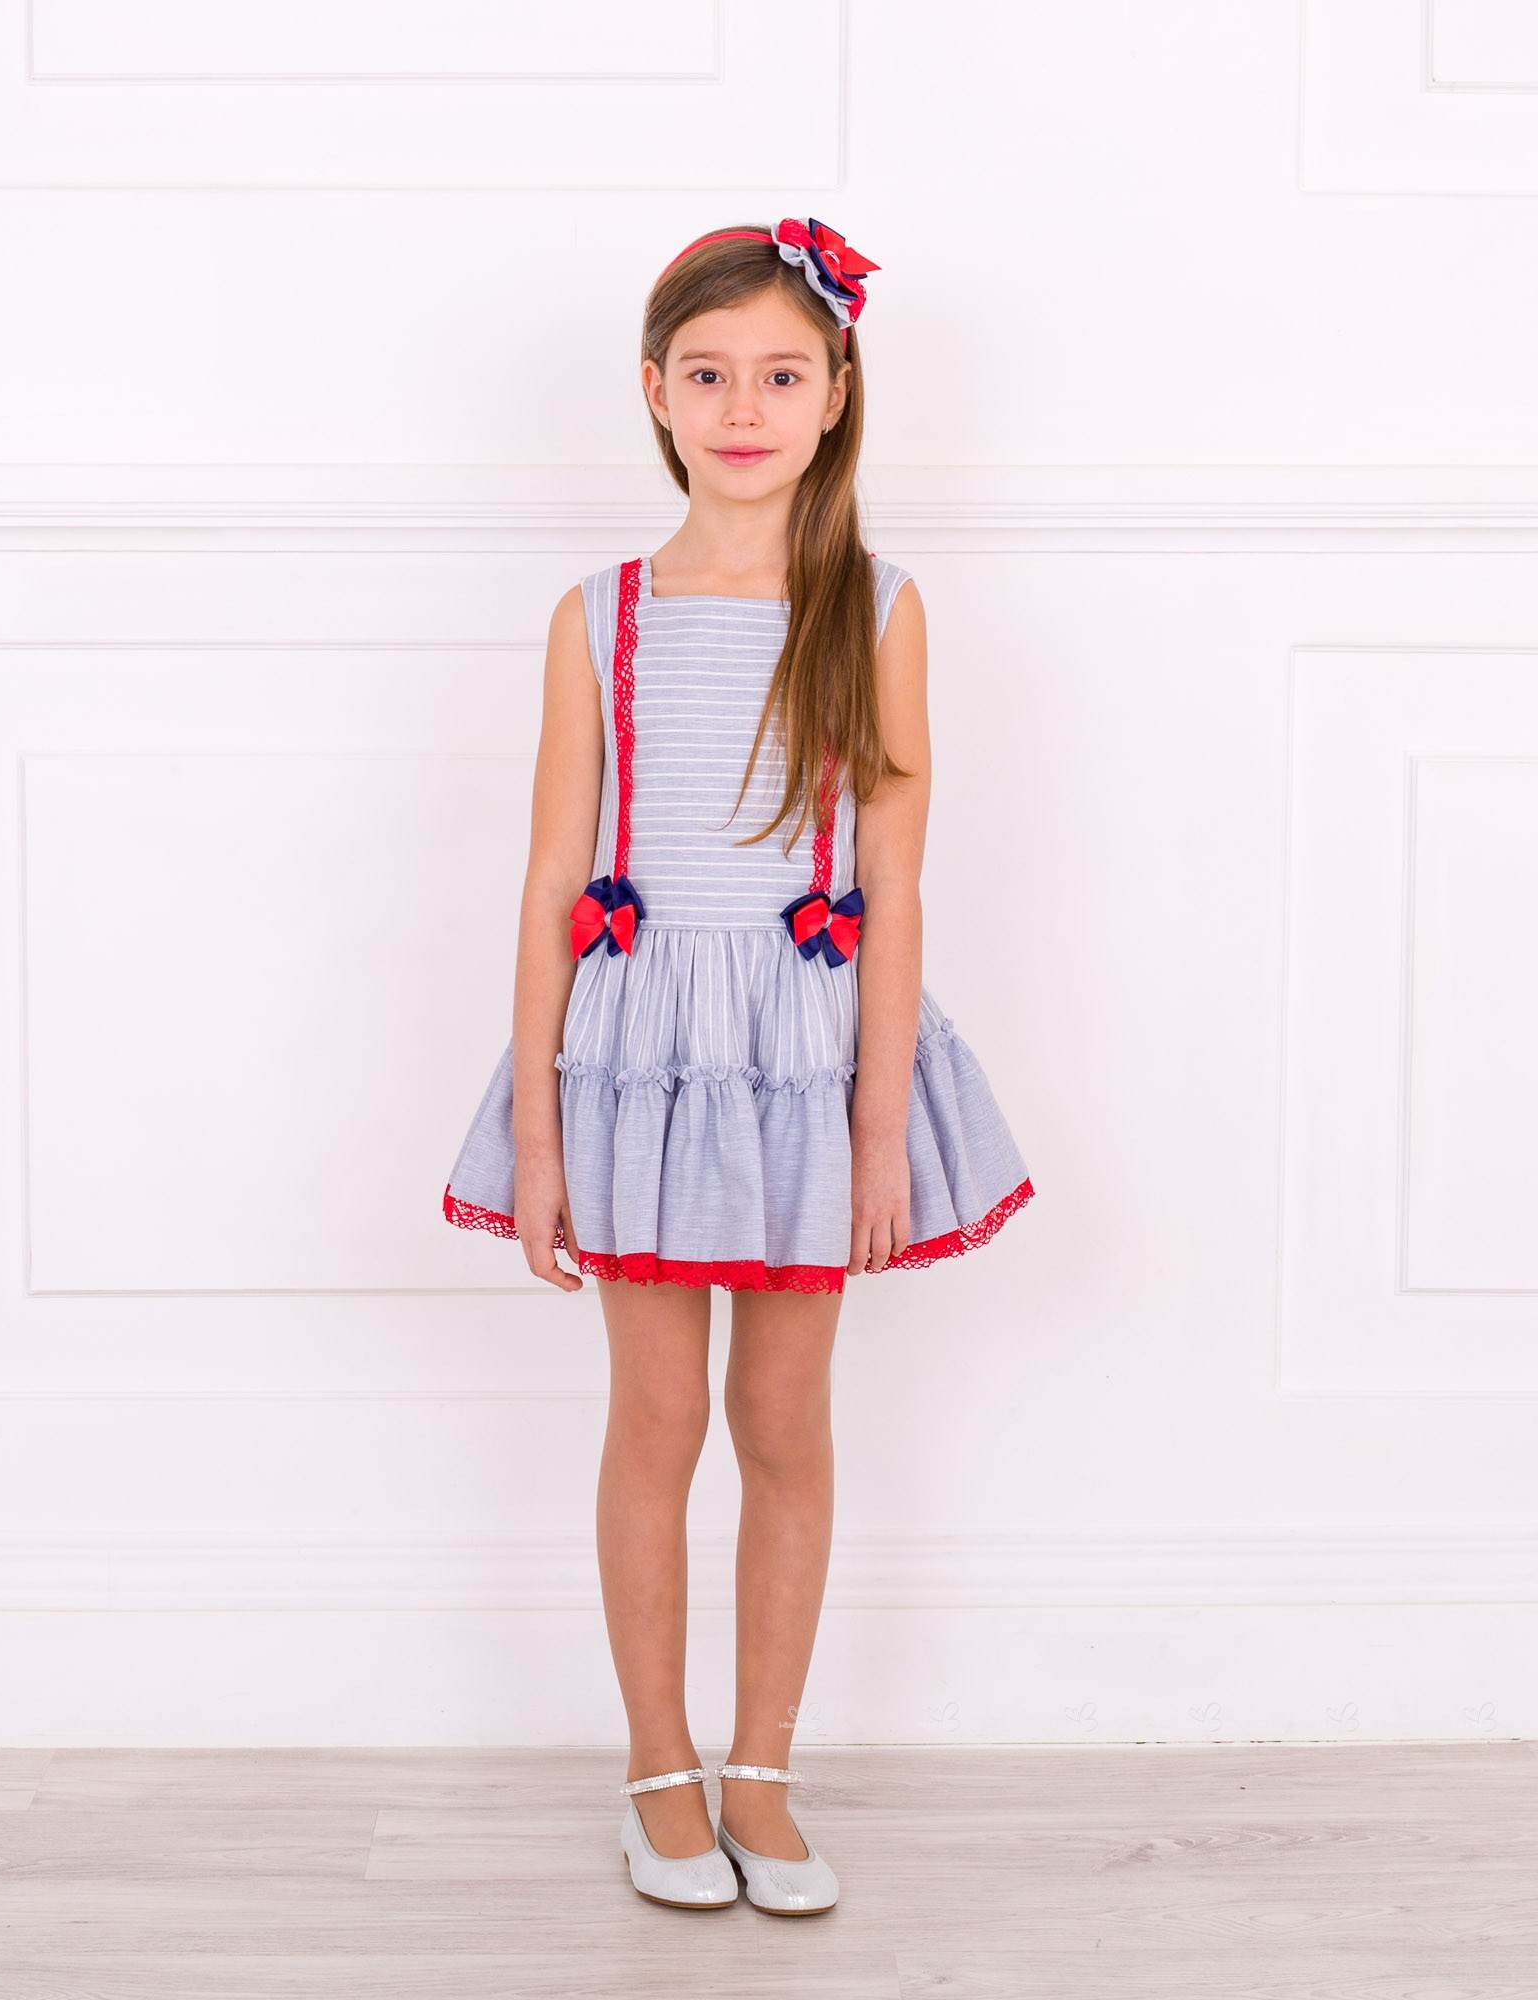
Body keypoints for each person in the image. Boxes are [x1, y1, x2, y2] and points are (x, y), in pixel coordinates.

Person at [441, 216, 1036, 1915]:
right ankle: (659, 1764)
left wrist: (877, 1128)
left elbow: (892, 881)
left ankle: (760, 1769)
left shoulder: (877, 609)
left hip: (802, 1063)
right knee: (656, 1413)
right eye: (708, 376)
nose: (745, 408)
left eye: (782, 374)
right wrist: (537, 1130)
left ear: (837, 392)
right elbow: (552, 881)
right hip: (640, 1063)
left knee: (783, 1415)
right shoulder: (599, 616)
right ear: (656, 393)